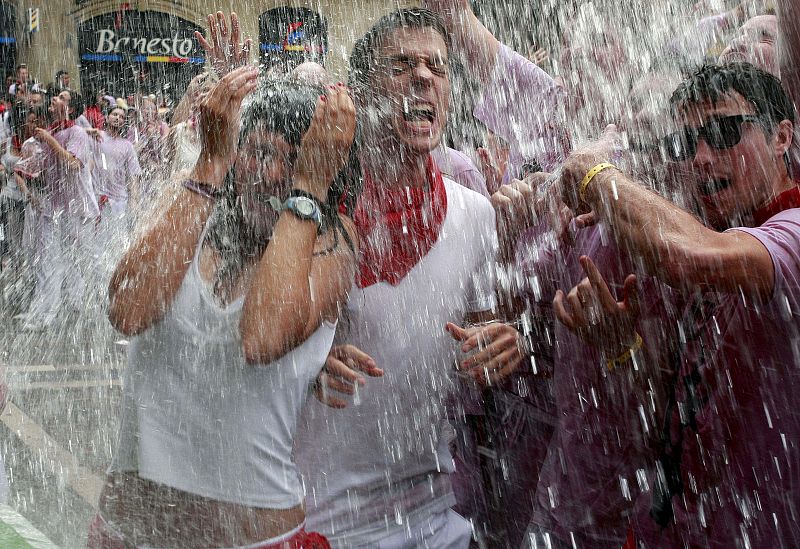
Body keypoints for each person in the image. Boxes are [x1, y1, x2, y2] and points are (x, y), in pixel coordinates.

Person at [89, 49, 360, 547]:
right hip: (128, 534)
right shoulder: (194, 198)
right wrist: (211, 162)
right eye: (255, 151)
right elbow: (127, 310)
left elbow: (260, 339)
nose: (269, 173)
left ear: (317, 166)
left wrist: (308, 190)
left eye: (291, 158)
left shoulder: (331, 241)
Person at [294, 8, 524, 548]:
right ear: (362, 92)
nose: (423, 77)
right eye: (401, 65)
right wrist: (304, 364)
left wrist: (507, 342)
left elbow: (477, 343)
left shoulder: (476, 215)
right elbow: (249, 344)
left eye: (437, 68)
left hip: (434, 512)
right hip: (320, 515)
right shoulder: (311, 213)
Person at [552, 62, 800, 547]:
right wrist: (624, 349)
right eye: (686, 145)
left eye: (725, 132)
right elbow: (672, 422)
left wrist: (596, 176)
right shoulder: (724, 235)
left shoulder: (790, 235)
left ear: (782, 137)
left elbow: (686, 255)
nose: (703, 159)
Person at [18, 89, 98, 332]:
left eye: (61, 99)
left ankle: (82, 308)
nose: (54, 100)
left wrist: (49, 141)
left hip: (77, 209)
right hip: (53, 207)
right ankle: (43, 312)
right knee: (47, 261)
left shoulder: (75, 133)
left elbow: (73, 164)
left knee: (79, 261)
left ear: (71, 109)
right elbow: (31, 170)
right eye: (55, 97)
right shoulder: (49, 134)